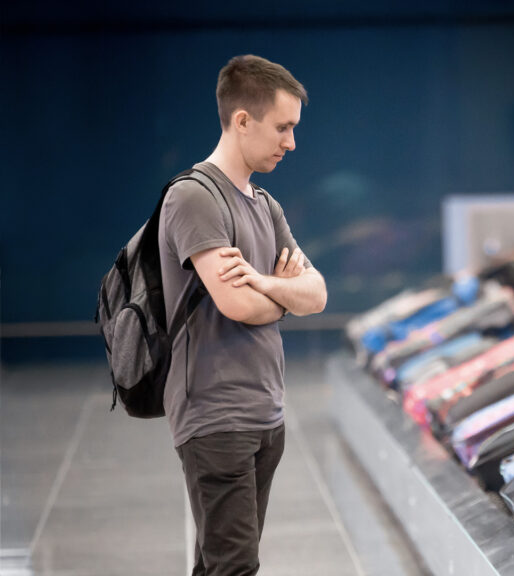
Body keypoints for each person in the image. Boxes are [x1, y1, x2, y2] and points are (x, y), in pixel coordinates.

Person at [158, 54, 327, 575]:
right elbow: (235, 304)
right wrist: (283, 292)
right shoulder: (194, 197)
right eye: (283, 127)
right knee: (234, 567)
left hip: (263, 411)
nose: (291, 142)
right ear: (241, 120)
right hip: (216, 416)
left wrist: (264, 283)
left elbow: (318, 294)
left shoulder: (264, 203)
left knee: (217, 567)